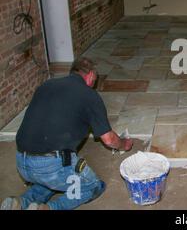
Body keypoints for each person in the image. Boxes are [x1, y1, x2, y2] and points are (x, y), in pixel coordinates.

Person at [0, 57, 133, 210]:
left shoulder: (46, 85)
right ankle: (51, 208)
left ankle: (20, 203)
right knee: (93, 186)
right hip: (51, 165)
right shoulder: (89, 95)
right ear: (90, 76)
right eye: (94, 80)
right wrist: (124, 144)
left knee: (52, 181)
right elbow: (109, 139)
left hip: (22, 162)